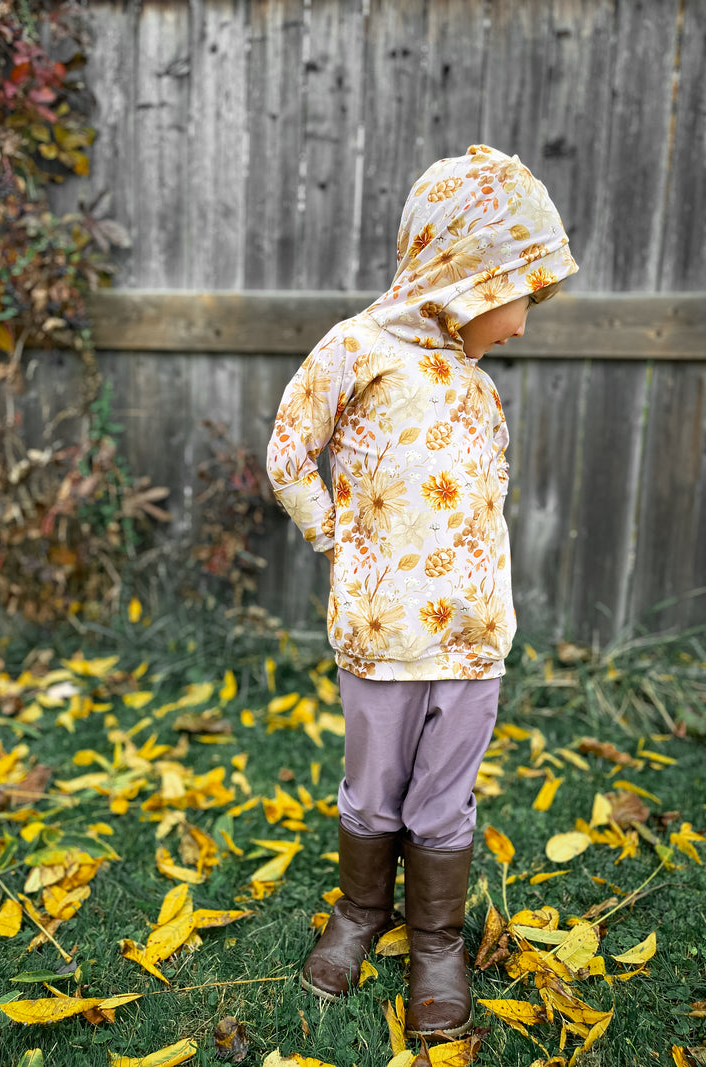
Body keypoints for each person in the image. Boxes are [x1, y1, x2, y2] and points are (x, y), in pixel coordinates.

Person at [266, 145, 578, 1039]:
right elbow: (291, 452)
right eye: (521, 297)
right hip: (381, 635)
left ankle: (437, 938)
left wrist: (486, 605)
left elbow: (486, 513)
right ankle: (362, 913)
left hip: (475, 643)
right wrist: (340, 543)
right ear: (468, 277)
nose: (522, 325)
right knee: (373, 792)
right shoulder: (357, 349)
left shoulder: (481, 393)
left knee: (445, 798)